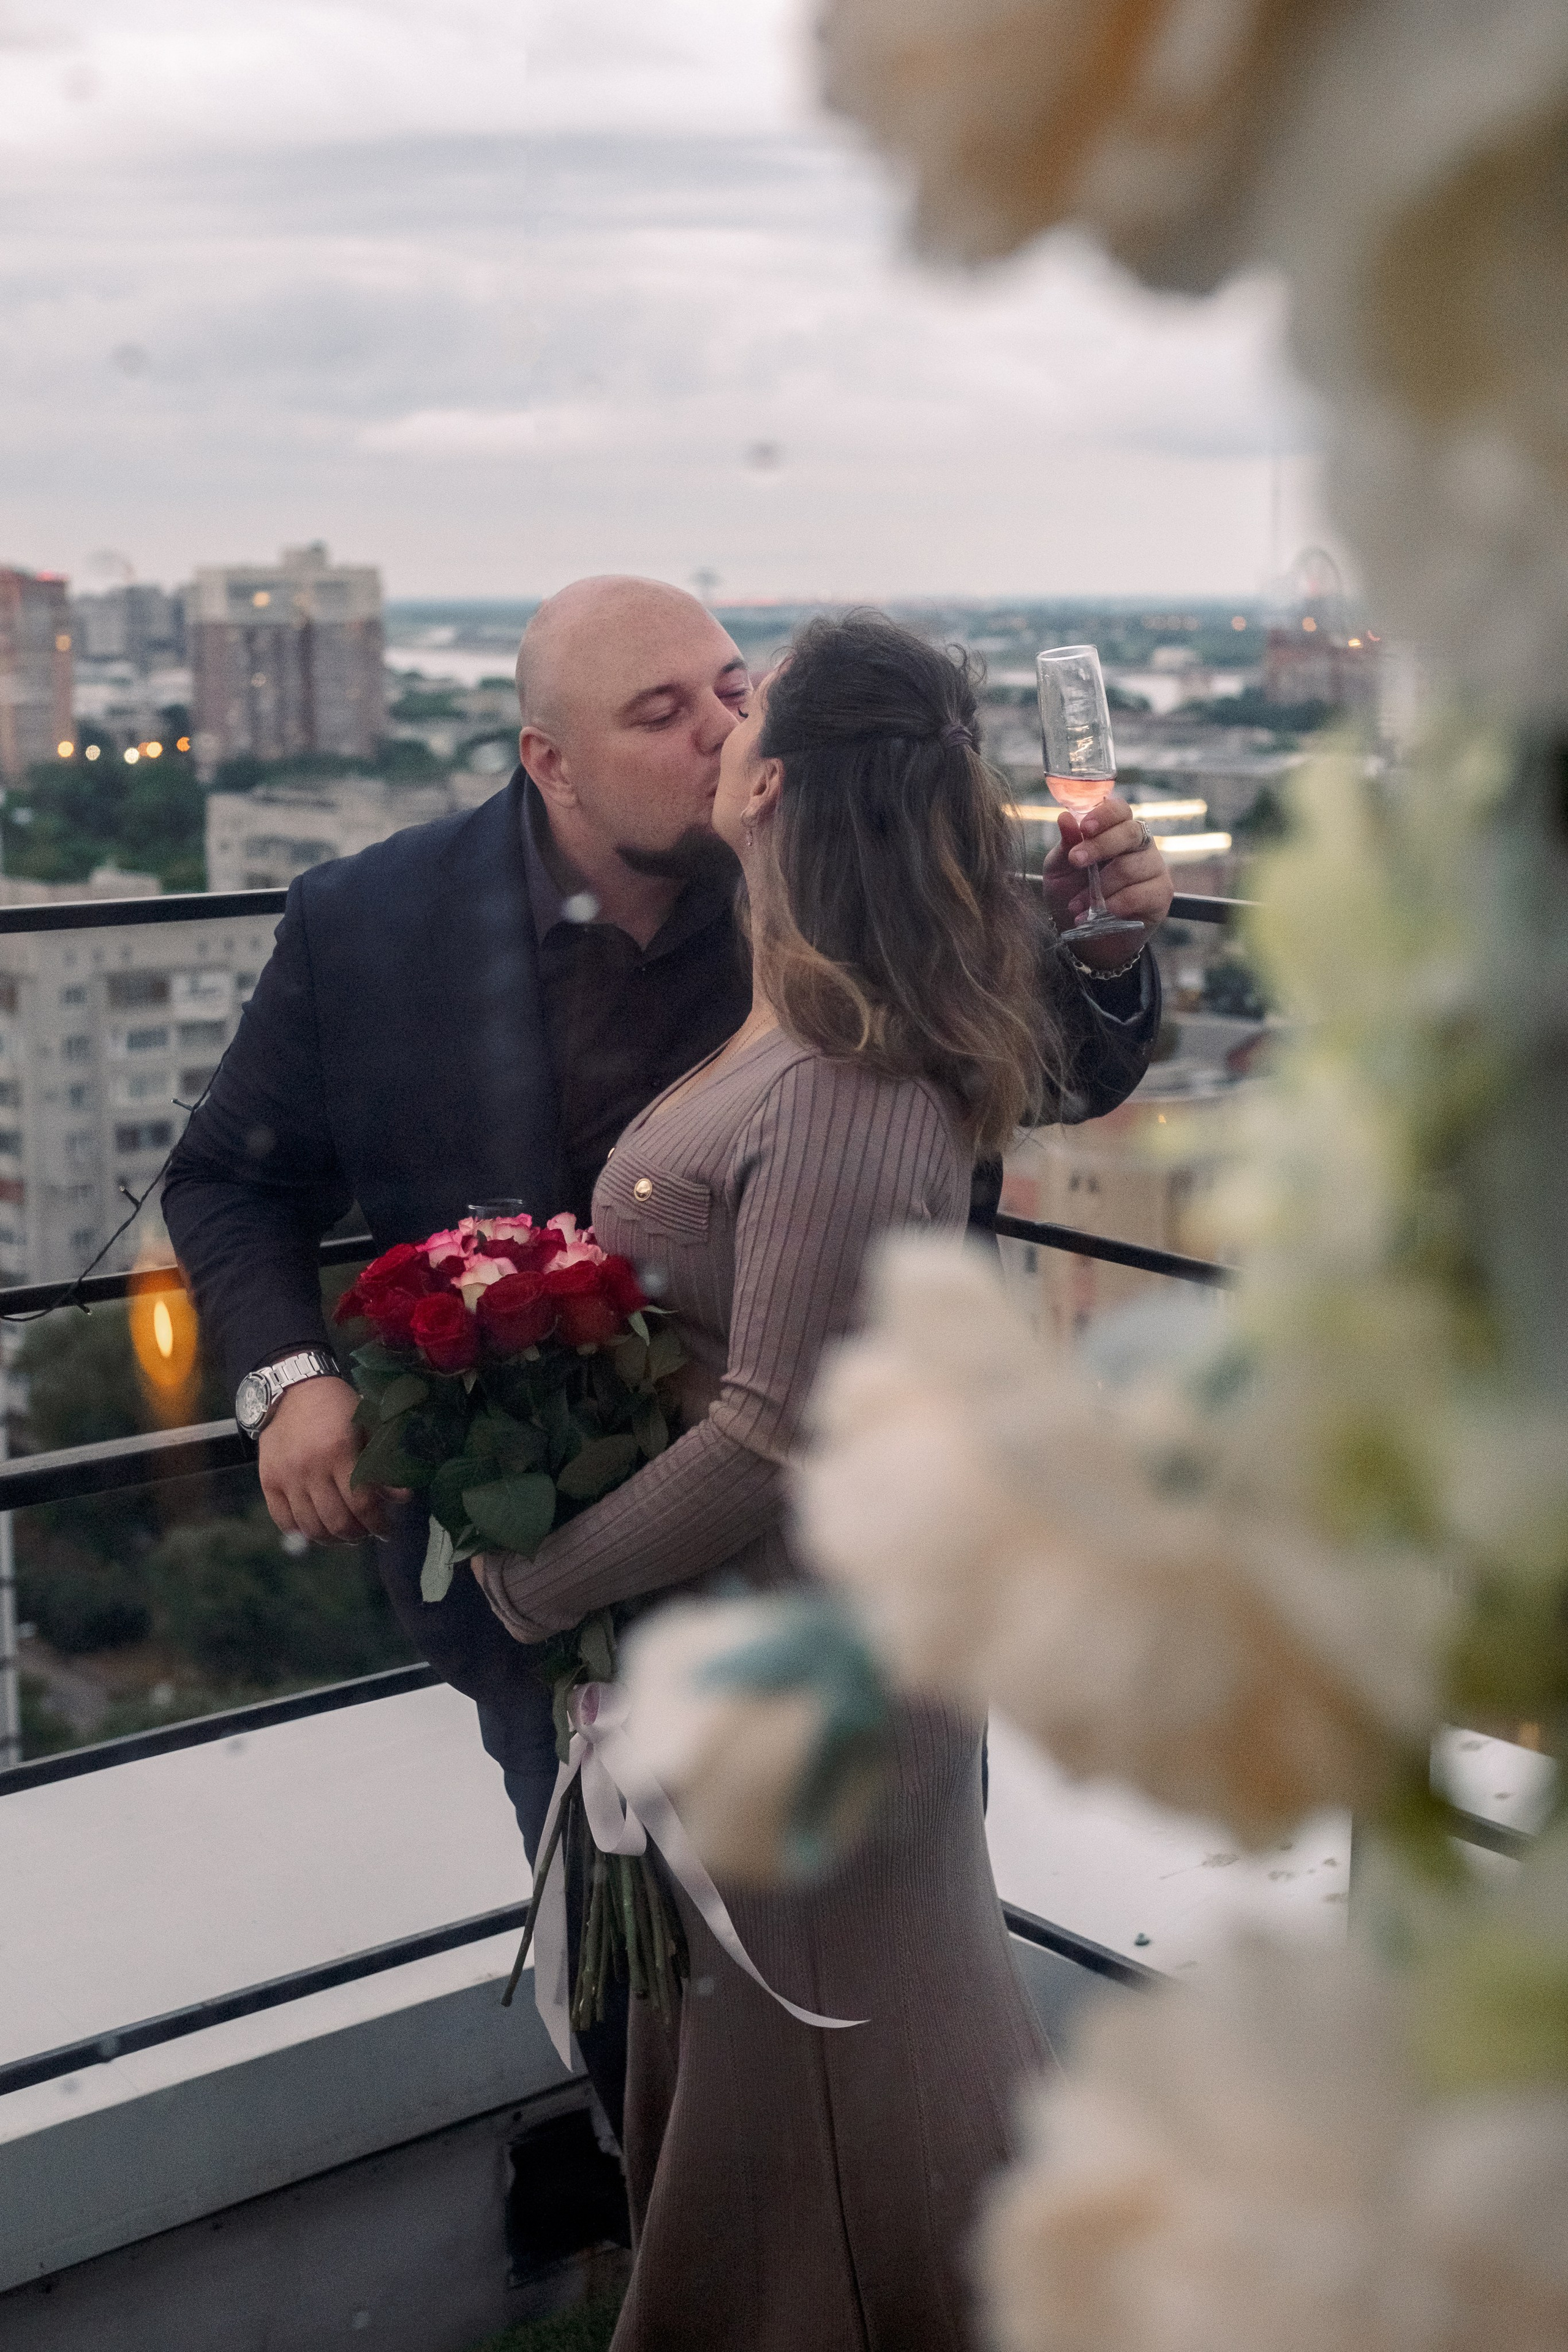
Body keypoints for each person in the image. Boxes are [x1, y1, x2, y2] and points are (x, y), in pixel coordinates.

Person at [160, 578, 1171, 2148]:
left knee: (876, 1989)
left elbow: (1048, 1063)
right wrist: (289, 1379)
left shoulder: (817, 871)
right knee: (631, 1991)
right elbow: (230, 1176)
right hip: (544, 1578)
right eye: (659, 713)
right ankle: (686, 2219)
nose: (716, 732)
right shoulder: (367, 923)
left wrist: (1102, 945)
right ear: (546, 760)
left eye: (726, 687)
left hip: (838, 1584)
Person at [467, 612, 1157, 2351]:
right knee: (797, 2142)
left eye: (739, 697)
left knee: (859, 2152)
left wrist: (547, 1577)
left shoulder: (844, 1072)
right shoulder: (815, 1012)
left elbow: (778, 1433)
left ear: (769, 784)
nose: (712, 720)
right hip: (760, 1683)